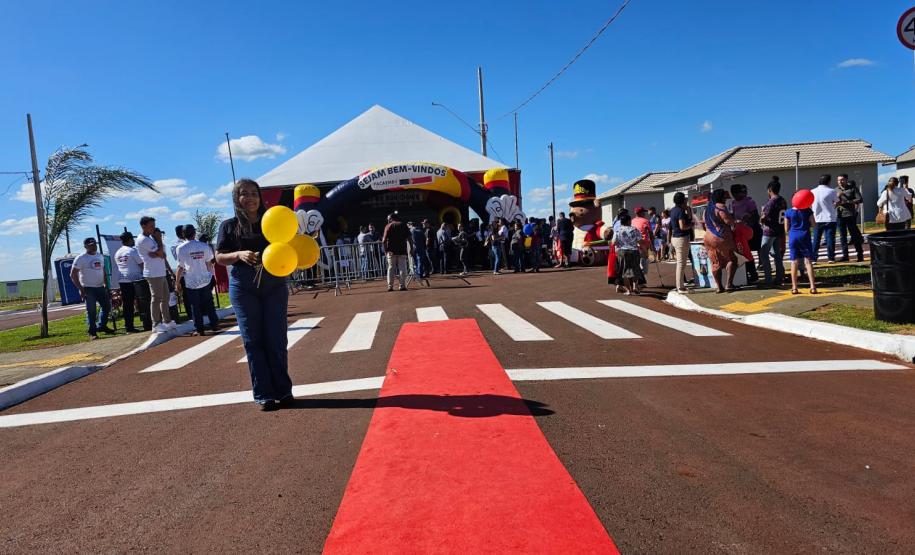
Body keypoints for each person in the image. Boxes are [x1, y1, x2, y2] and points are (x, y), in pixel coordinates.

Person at [215, 178, 292, 411]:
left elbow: (289, 243)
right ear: (236, 198)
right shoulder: (228, 226)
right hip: (244, 286)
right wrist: (238, 254)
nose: (250, 198)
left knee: (276, 337)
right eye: (244, 193)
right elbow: (219, 257)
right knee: (252, 339)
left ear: (260, 197)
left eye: (254, 193)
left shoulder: (273, 221)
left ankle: (283, 390)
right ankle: (264, 394)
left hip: (274, 283)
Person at [175, 225, 219, 336]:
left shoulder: (180, 248)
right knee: (209, 303)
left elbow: (180, 267)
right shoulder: (204, 246)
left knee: (195, 306)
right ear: (194, 233)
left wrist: (177, 282)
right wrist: (213, 275)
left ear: (183, 234)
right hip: (205, 278)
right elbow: (209, 263)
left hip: (191, 281)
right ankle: (214, 324)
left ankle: (200, 329)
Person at [136, 216, 174, 333]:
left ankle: (167, 321)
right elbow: (160, 252)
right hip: (153, 273)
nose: (153, 228)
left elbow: (162, 255)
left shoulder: (150, 239)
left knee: (166, 297)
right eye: (151, 226)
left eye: (154, 225)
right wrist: (159, 240)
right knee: (156, 298)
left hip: (160, 271)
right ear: (143, 226)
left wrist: (158, 252)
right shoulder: (144, 240)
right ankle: (156, 323)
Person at [70, 237, 113, 339]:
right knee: (91, 311)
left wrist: (106, 284)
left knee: (107, 306)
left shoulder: (100, 256)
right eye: (91, 245)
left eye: (94, 244)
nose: (93, 246)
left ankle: (102, 326)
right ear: (85, 246)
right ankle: (92, 332)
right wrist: (80, 288)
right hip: (88, 288)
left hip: (100, 287)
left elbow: (103, 271)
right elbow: (73, 274)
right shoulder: (81, 258)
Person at [703, 189, 738, 293]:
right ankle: (729, 284)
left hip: (708, 237)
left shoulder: (707, 209)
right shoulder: (720, 207)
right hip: (721, 236)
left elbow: (704, 224)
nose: (725, 198)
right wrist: (735, 221)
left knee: (715, 262)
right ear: (721, 197)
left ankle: (719, 287)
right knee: (732, 259)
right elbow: (727, 221)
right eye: (724, 196)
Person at [113, 231, 149, 332]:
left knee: (127, 304)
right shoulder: (132, 251)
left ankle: (129, 326)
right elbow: (141, 264)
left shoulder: (118, 252)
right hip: (136, 280)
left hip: (123, 280)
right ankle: (147, 323)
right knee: (142, 302)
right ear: (130, 239)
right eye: (132, 239)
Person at [785, 197, 818, 295]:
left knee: (794, 262)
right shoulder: (807, 211)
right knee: (808, 261)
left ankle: (794, 287)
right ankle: (813, 287)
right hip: (805, 236)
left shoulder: (788, 212)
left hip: (793, 236)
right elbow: (814, 224)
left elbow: (786, 228)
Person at [758, 179, 788, 287]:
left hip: (769, 231)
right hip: (779, 230)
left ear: (770, 189)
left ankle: (768, 280)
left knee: (764, 255)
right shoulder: (783, 200)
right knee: (777, 255)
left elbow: (764, 216)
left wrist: (761, 220)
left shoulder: (771, 201)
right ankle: (779, 277)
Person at [729, 183, 760, 283]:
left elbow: (755, 217)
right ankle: (746, 273)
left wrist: (746, 221)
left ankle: (753, 274)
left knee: (747, 253)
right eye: (733, 194)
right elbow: (733, 216)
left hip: (749, 232)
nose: (735, 196)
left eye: (736, 193)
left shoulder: (749, 202)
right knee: (742, 253)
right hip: (738, 232)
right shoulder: (733, 203)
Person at [612, 213, 645, 295]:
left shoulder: (618, 230)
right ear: (628, 221)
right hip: (634, 251)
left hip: (623, 252)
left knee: (625, 271)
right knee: (635, 269)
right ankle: (635, 286)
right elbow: (640, 241)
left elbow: (614, 242)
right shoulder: (635, 230)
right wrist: (644, 250)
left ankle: (628, 290)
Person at [835, 174, 864, 262]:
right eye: (839, 180)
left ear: (846, 180)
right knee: (842, 236)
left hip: (850, 215)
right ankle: (845, 255)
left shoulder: (852, 188)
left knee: (854, 236)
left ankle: (860, 254)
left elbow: (860, 199)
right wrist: (837, 198)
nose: (840, 182)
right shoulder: (835, 190)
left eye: (842, 180)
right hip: (840, 215)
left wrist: (848, 201)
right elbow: (833, 201)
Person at [669, 192, 694, 292]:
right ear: (682, 200)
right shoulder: (680, 211)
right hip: (681, 238)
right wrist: (691, 226)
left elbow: (687, 219)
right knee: (681, 264)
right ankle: (680, 286)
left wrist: (688, 210)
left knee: (681, 263)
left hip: (675, 238)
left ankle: (680, 285)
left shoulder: (673, 210)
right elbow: (682, 226)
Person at [811, 174, 838, 263]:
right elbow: (837, 202)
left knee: (816, 239)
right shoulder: (832, 191)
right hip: (830, 218)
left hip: (817, 218)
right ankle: (831, 257)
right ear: (829, 181)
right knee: (830, 238)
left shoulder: (812, 191)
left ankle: (814, 258)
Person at [382, 212, 410, 291]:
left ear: (391, 219)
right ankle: (402, 286)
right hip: (402, 250)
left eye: (388, 219)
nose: (387, 221)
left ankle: (390, 286)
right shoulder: (403, 225)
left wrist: (386, 250)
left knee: (391, 268)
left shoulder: (388, 226)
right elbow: (409, 238)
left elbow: (383, 240)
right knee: (402, 268)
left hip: (391, 251)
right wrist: (411, 249)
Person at [630, 206, 655, 280]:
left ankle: (637, 279)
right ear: (640, 213)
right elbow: (650, 233)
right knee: (644, 260)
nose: (645, 213)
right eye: (643, 212)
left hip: (634, 244)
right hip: (643, 244)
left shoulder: (632, 221)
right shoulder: (645, 221)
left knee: (637, 261)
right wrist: (652, 245)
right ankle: (641, 278)